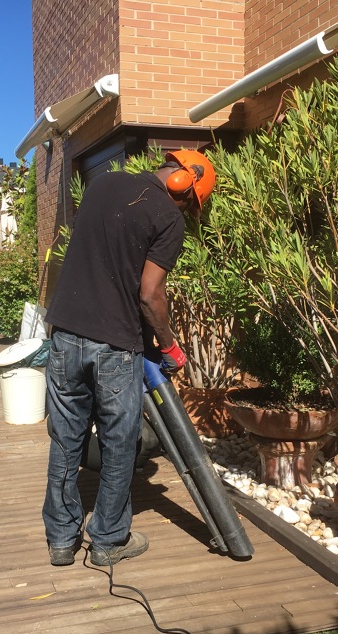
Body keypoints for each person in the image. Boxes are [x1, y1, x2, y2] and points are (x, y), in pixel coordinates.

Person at [42, 149, 216, 567]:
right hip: (114, 348)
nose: (186, 212)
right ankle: (108, 541)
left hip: (64, 335)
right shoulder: (168, 217)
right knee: (120, 446)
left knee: (65, 441)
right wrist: (169, 345)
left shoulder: (102, 185)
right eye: (191, 204)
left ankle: (62, 541)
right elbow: (149, 294)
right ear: (184, 184)